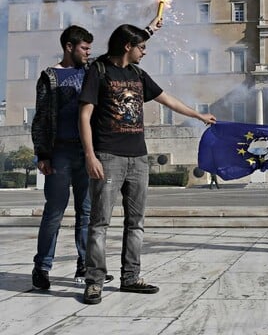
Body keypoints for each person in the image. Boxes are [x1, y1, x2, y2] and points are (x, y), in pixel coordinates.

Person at [78, 23, 216, 305]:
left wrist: (198, 115)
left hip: (138, 157)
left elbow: (168, 100)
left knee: (136, 222)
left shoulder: (138, 74)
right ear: (127, 46)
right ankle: (94, 282)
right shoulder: (99, 70)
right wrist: (90, 155)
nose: (145, 51)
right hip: (108, 156)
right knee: (99, 223)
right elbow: (84, 114)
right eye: (142, 47)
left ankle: (131, 278)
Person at [30, 25, 114, 289]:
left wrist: (150, 28)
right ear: (69, 46)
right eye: (84, 48)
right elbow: (41, 117)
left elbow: (119, 49)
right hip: (60, 152)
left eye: (90, 48)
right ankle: (42, 267)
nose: (88, 53)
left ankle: (86, 266)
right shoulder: (50, 76)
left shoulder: (91, 72)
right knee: (54, 211)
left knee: (86, 212)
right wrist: (42, 153)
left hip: (87, 151)